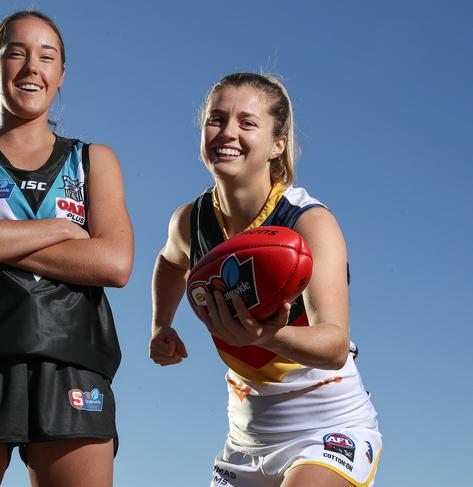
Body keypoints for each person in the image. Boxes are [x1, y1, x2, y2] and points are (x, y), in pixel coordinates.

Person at [0, 10, 133, 487]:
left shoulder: (93, 159)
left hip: (71, 361)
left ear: (60, 75)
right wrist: (60, 229)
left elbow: (114, 263)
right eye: (16, 53)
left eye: (46, 57)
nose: (32, 67)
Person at [149, 72, 381, 487]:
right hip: (246, 438)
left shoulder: (309, 223)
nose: (227, 133)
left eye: (247, 123)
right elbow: (169, 263)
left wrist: (265, 336)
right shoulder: (190, 220)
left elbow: (333, 346)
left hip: (326, 426)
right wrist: (161, 324)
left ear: (278, 144)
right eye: (216, 119)